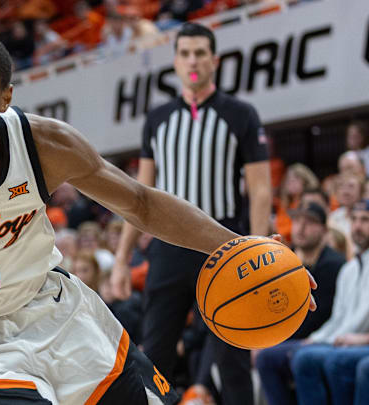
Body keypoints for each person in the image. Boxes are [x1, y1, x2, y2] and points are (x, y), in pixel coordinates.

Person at [0, 28, 314, 405]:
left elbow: (140, 202)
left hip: (58, 311)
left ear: (4, 99)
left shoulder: (43, 144)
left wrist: (244, 248)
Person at [111, 22, 272, 405]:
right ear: (176, 62)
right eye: (184, 53)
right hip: (167, 248)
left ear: (215, 60)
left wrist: (260, 248)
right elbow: (139, 196)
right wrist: (121, 259)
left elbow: (262, 188)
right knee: (156, 355)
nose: (192, 60)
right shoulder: (157, 119)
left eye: (200, 52)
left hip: (226, 246)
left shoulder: (241, 114)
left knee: (232, 357)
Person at [254, 201, 344, 405]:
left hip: (317, 337)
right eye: (296, 220)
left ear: (323, 229)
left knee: (267, 358)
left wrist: (273, 340)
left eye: (309, 222)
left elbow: (318, 317)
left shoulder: (333, 264)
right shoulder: (285, 258)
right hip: (294, 337)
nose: (301, 228)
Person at [290, 200, 369, 405]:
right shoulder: (349, 269)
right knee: (302, 357)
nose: (358, 226)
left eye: (365, 220)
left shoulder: (335, 263)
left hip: (360, 343)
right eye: (355, 220)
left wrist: (361, 339)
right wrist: (317, 339)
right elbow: (338, 319)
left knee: (340, 362)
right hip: (344, 339)